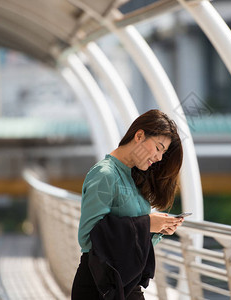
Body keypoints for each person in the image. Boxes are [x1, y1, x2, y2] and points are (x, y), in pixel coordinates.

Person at [71, 109, 185, 300]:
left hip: (126, 284)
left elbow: (131, 241)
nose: (159, 158)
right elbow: (87, 237)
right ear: (139, 135)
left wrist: (158, 229)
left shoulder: (134, 178)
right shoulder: (105, 174)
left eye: (163, 153)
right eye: (158, 148)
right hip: (99, 286)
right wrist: (146, 224)